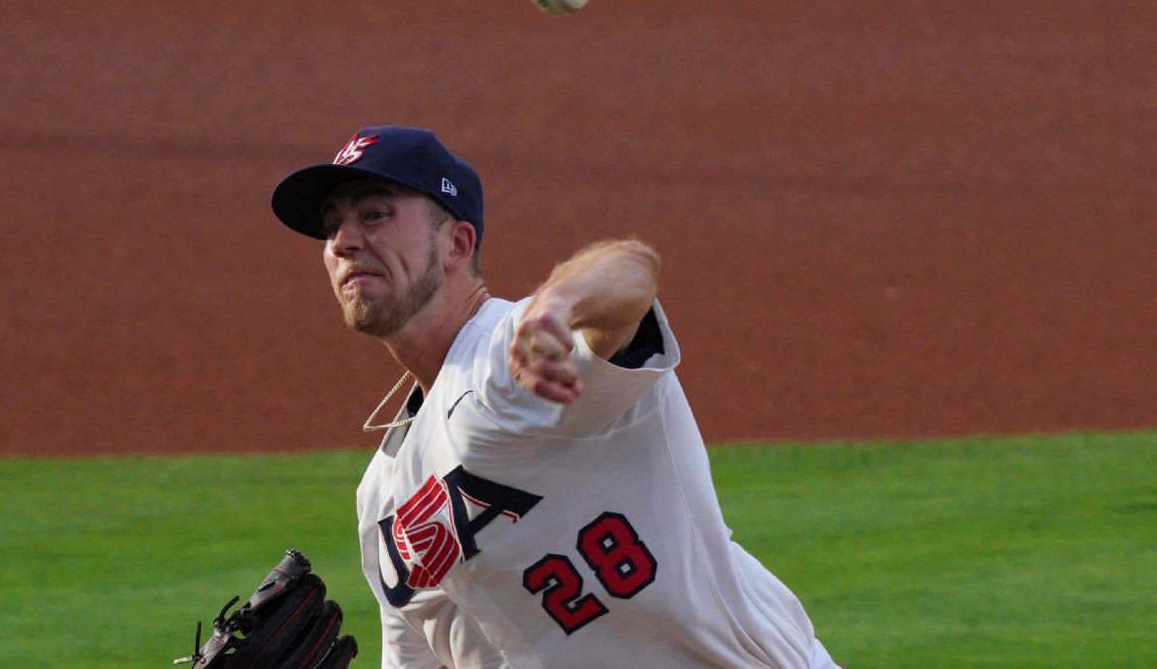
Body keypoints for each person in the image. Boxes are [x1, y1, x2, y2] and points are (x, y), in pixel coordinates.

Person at [271, 125, 839, 669]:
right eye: (331, 226)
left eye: (374, 214)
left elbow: (631, 273)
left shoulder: (512, 354)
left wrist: (558, 305)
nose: (345, 241)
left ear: (457, 243)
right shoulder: (381, 501)